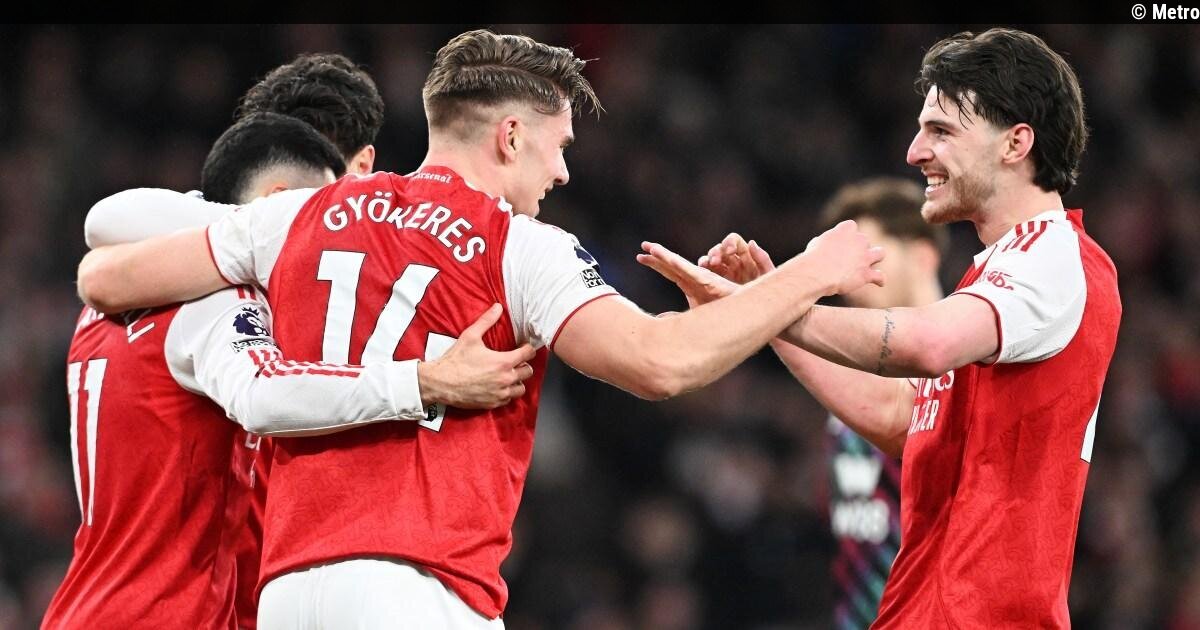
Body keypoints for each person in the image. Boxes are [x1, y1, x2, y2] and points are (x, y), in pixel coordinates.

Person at [73, 29, 885, 628]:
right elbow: (657, 362)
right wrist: (812, 272)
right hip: (419, 588)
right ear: (510, 135)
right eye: (558, 146)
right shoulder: (517, 245)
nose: (563, 171)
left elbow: (105, 276)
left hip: (288, 592)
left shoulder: (308, 214)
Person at [639, 28, 1121, 628]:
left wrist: (780, 299)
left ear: (1015, 143)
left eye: (941, 131)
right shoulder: (998, 272)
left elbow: (929, 344)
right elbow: (903, 419)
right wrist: (763, 315)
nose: (915, 152)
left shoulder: (1053, 256)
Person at [43, 113, 531, 629]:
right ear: (276, 202)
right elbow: (262, 392)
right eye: (322, 211)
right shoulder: (217, 300)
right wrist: (424, 380)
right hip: (169, 616)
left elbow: (105, 221)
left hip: (88, 604)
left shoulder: (118, 299)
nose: (337, 235)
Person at [809, 178, 946, 630]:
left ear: (923, 256)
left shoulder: (966, 372)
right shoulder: (846, 376)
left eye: (872, 258)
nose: (854, 280)